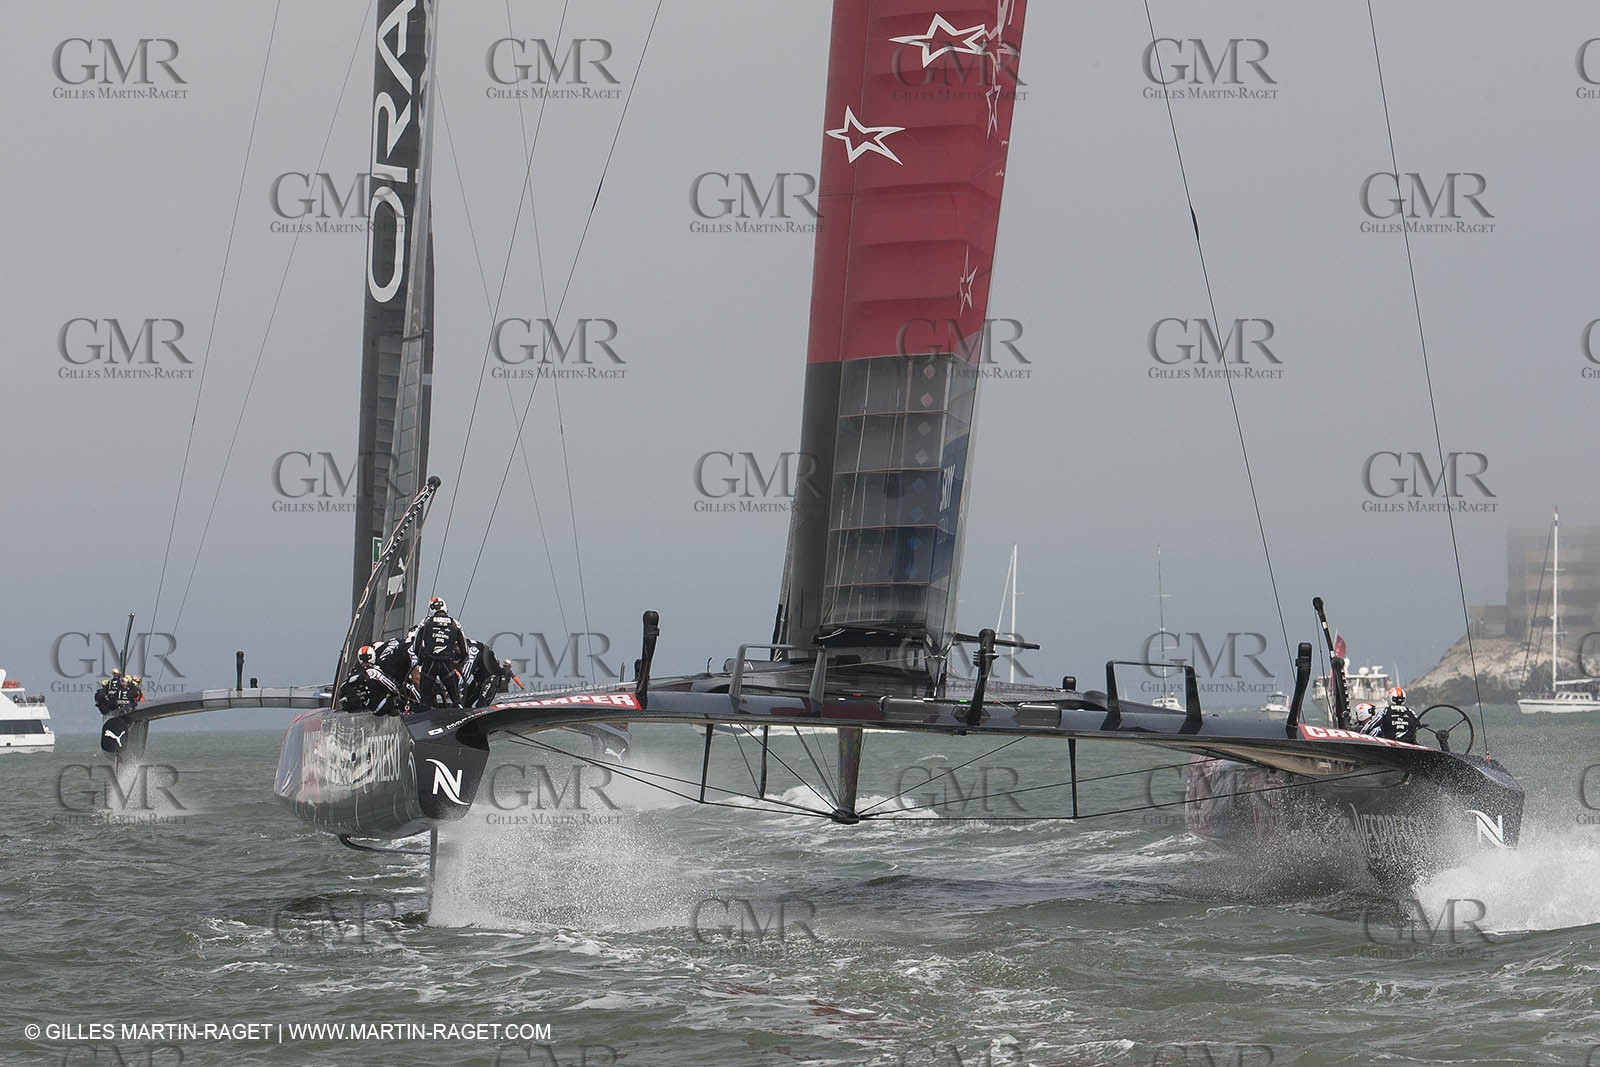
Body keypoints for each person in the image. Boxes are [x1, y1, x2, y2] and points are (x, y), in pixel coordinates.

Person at [411, 597, 468, 708]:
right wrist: (457, 661)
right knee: (456, 699)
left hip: (429, 663)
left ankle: (424, 714)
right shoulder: (455, 623)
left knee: (424, 701)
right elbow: (465, 651)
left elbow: (415, 647)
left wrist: (422, 659)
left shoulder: (426, 621)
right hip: (447, 664)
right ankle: (459, 713)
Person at [339, 645, 410, 716]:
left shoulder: (355, 672)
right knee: (397, 702)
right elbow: (392, 687)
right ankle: (411, 711)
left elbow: (343, 685)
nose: (365, 662)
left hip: (368, 706)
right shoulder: (373, 672)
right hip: (377, 707)